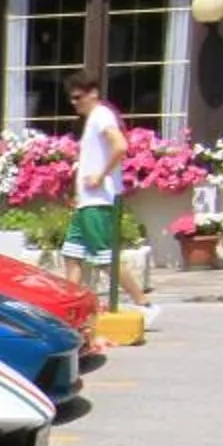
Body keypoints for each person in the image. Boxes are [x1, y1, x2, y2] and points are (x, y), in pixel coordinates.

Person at [59, 71, 148, 313]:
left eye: (78, 97)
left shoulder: (101, 115)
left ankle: (142, 301)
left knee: (104, 257)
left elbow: (120, 146)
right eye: (72, 98)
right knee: (72, 253)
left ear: (93, 93)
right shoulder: (92, 120)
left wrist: (101, 175)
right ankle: (71, 308)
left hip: (99, 200)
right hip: (86, 202)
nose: (74, 103)